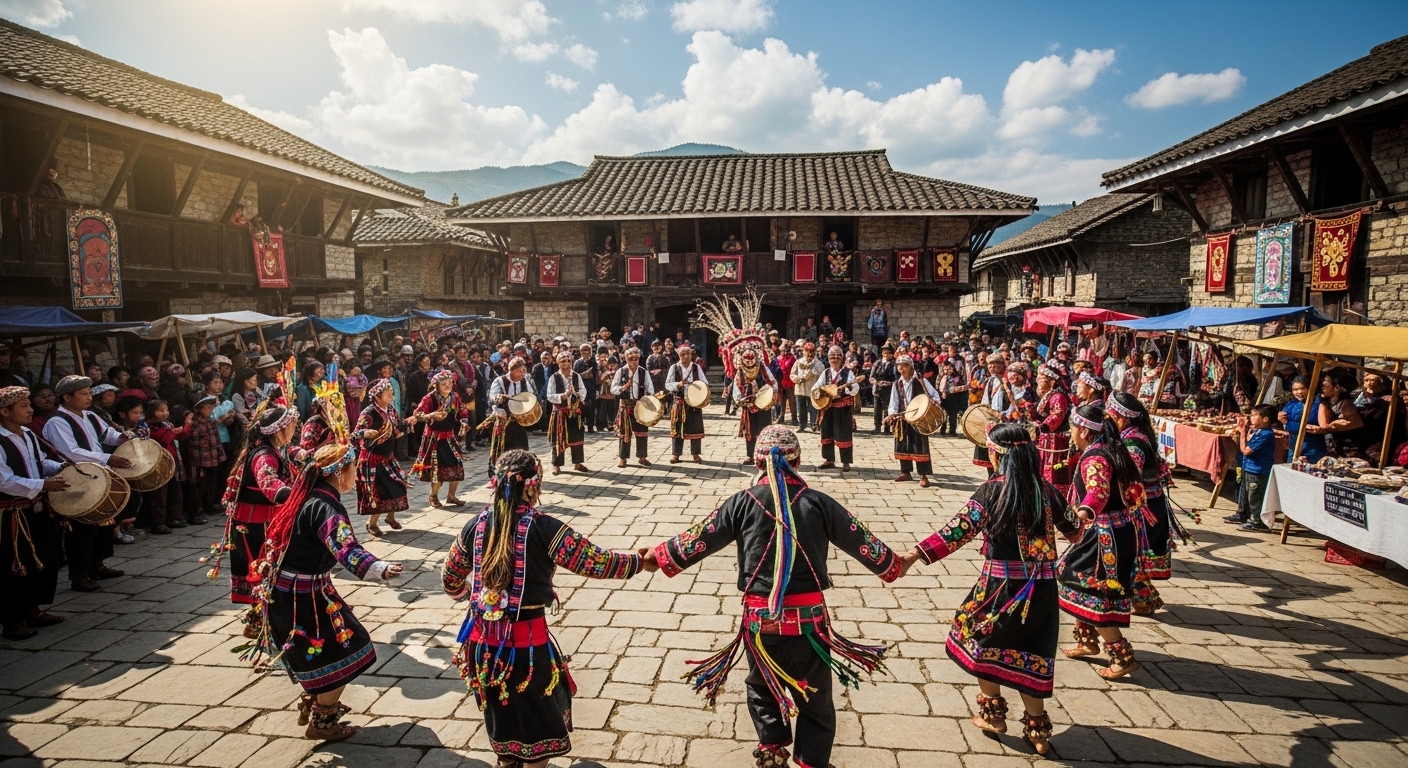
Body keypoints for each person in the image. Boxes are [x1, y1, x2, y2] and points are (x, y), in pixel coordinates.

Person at [644, 426, 902, 768]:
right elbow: (863, 541)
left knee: (762, 686)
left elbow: (700, 537)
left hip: (759, 622)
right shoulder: (819, 503)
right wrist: (895, 564)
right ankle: (812, 762)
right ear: (797, 461)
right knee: (816, 700)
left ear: (757, 462)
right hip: (809, 623)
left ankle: (772, 748)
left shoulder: (741, 502)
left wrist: (658, 556)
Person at [442, 449, 649, 766]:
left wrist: (470, 594)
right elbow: (597, 563)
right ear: (532, 486)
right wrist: (638, 561)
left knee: (501, 717)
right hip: (527, 652)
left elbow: (450, 577)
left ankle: (507, 760)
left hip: (482, 649)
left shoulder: (475, 526)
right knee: (538, 729)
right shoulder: (545, 528)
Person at [898, 422, 1077, 755]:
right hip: (1042, 589)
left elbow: (958, 530)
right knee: (1034, 651)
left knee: (977, 637)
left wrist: (914, 555)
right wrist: (1082, 513)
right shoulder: (1047, 490)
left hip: (999, 587)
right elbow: (1076, 531)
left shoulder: (991, 490)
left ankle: (993, 715)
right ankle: (1038, 732)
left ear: (999, 455)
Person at [246, 442, 403, 742]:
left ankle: (317, 701)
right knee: (354, 648)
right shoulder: (327, 507)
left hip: (291, 591)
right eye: (353, 468)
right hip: (302, 597)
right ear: (340, 472)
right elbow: (345, 547)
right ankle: (323, 720)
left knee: (320, 653)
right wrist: (378, 567)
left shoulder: (307, 496)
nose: (356, 475)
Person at [1057, 404, 1146, 680]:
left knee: (1097, 593)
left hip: (1105, 537)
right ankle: (1087, 640)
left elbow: (1098, 491)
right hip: (1114, 531)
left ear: (1083, 429)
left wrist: (1082, 514)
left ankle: (1123, 656)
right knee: (1073, 578)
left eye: (1072, 428)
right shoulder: (1109, 448)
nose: (1070, 433)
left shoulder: (1095, 457)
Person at [43, 375, 133, 592]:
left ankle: (96, 564)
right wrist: (107, 458)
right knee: (81, 528)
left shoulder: (90, 415)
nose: (88, 397)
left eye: (89, 392)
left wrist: (122, 438)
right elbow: (71, 452)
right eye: (83, 393)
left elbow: (107, 434)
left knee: (102, 523)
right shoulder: (58, 422)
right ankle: (79, 574)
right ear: (66, 397)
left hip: (97, 476)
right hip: (76, 479)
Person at [0, 386, 69, 640]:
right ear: (5, 411)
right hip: (10, 514)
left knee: (45, 558)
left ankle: (33, 609)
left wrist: (59, 466)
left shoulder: (28, 433)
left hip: (35, 507)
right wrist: (42, 485)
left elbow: (39, 462)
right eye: (23, 406)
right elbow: (4, 481)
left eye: (30, 404)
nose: (30, 410)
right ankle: (12, 621)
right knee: (14, 566)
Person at [219, 406, 298, 617]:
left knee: (268, 569)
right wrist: (296, 494)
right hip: (255, 525)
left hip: (261, 520)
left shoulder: (270, 449)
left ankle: (263, 616)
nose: (294, 429)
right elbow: (268, 482)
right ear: (278, 431)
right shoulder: (264, 456)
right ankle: (262, 619)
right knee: (262, 569)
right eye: (291, 426)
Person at [1108, 392, 1173, 615]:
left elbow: (1130, 477)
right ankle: (1144, 601)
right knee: (1130, 557)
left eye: (1112, 414)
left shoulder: (1133, 442)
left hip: (1141, 510)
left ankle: (1143, 601)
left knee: (1129, 555)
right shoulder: (1135, 435)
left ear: (1122, 418)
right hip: (1146, 505)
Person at [354, 379, 411, 535]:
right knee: (377, 493)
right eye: (388, 394)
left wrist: (411, 421)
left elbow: (396, 428)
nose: (392, 396)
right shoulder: (368, 413)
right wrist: (364, 433)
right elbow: (355, 435)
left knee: (398, 486)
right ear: (377, 396)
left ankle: (390, 517)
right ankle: (371, 524)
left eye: (392, 393)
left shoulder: (390, 410)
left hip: (387, 457)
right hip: (372, 459)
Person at [412, 370, 467, 506]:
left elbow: (462, 410)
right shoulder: (429, 398)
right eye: (444, 384)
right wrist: (431, 415)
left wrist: (464, 422)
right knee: (437, 469)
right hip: (434, 438)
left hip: (449, 437)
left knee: (457, 464)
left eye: (450, 383)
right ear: (436, 386)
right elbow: (417, 414)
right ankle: (433, 496)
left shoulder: (455, 397)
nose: (448, 386)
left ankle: (451, 496)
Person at [884, 354, 939, 487]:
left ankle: (923, 475)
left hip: (919, 419)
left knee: (919, 446)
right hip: (903, 419)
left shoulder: (920, 380)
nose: (901, 368)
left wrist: (931, 404)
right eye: (899, 366)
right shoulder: (897, 384)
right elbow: (894, 402)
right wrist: (891, 414)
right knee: (903, 445)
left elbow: (934, 395)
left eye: (904, 366)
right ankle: (906, 472)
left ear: (910, 367)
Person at [486, 357, 534, 484]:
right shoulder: (500, 381)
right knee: (502, 450)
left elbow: (530, 396)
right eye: (520, 371)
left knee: (521, 448)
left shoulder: (525, 382)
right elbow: (492, 397)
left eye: (524, 371)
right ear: (511, 370)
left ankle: (520, 475)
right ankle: (499, 476)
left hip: (518, 421)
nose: (522, 374)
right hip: (503, 421)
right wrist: (499, 399)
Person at [1233, 404, 1278, 532]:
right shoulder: (1258, 431)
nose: (1251, 418)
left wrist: (1241, 433)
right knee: (1247, 494)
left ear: (1265, 419)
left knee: (1255, 496)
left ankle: (1258, 522)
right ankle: (1247, 516)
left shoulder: (1266, 434)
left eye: (1254, 415)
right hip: (1249, 467)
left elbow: (1246, 450)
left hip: (1258, 470)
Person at [812, 346, 858, 471]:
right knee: (826, 432)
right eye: (832, 356)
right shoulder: (826, 372)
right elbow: (816, 387)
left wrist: (848, 388)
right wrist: (819, 393)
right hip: (828, 407)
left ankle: (846, 462)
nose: (835, 359)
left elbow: (855, 389)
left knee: (844, 434)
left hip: (842, 407)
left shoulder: (848, 373)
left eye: (838, 356)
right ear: (828, 358)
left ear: (842, 358)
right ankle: (829, 459)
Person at [545, 352, 588, 474]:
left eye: (568, 361)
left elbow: (583, 391)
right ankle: (557, 465)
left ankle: (578, 463)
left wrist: (575, 393)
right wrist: (564, 395)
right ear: (558, 363)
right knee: (558, 439)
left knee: (577, 437)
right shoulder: (554, 377)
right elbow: (549, 395)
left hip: (574, 411)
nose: (566, 363)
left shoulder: (576, 376)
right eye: (563, 361)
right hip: (559, 413)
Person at [610, 348, 654, 468]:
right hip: (625, 406)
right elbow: (612, 389)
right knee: (625, 433)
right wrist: (623, 387)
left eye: (636, 359)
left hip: (640, 406)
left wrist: (647, 395)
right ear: (626, 359)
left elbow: (650, 388)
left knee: (642, 432)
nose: (633, 362)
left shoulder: (643, 372)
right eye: (630, 359)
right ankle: (623, 458)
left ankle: (642, 457)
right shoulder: (621, 371)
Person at [1034, 364, 1073, 495]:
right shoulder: (1049, 396)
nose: (1037, 379)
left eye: (1041, 376)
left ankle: (1056, 494)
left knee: (1055, 471)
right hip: (1047, 438)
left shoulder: (1058, 397)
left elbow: (1057, 414)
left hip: (1056, 440)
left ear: (1051, 380)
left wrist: (1043, 426)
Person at [732, 349, 777, 465]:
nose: (750, 363)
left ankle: (766, 454)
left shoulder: (762, 367)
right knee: (750, 431)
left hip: (763, 404)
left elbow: (772, 381)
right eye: (747, 360)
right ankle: (750, 456)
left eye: (752, 359)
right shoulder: (740, 371)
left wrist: (768, 394)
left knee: (764, 430)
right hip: (749, 405)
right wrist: (740, 399)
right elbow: (737, 386)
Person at [664, 345, 708, 464]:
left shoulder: (696, 367)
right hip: (679, 401)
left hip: (694, 403)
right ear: (679, 355)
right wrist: (678, 384)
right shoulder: (674, 368)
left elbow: (705, 382)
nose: (685, 356)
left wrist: (697, 387)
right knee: (677, 429)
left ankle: (696, 454)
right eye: (682, 354)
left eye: (687, 354)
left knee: (695, 428)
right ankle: (676, 454)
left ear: (691, 355)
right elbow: (668, 384)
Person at [186, 395, 223, 524]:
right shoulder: (196, 424)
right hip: (201, 461)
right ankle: (196, 511)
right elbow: (194, 445)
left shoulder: (209, 422)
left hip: (212, 459)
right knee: (198, 487)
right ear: (200, 409)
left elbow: (217, 439)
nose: (210, 410)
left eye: (211, 408)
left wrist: (221, 454)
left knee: (210, 484)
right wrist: (197, 463)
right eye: (207, 408)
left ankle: (209, 505)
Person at [1279, 375, 1327, 463]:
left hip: (1313, 450)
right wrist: (1281, 418)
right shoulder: (1292, 403)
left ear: (1310, 388)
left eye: (1302, 388)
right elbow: (1283, 420)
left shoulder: (1318, 404)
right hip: (1294, 448)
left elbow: (1311, 426)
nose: (1299, 392)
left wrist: (1288, 424)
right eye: (1295, 389)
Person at [791, 343, 822, 432]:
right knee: (801, 408)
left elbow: (822, 376)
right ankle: (802, 425)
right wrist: (796, 379)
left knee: (813, 407)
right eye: (807, 351)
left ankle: (813, 424)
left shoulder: (818, 364)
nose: (809, 354)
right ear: (804, 352)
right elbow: (792, 374)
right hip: (800, 389)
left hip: (812, 389)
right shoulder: (798, 362)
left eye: (811, 352)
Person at [937, 358, 968, 437]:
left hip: (954, 397)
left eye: (949, 369)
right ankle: (942, 430)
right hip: (943, 397)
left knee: (953, 414)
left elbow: (961, 385)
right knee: (943, 414)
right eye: (945, 369)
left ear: (953, 368)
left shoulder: (957, 376)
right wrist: (941, 393)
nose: (947, 370)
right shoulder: (941, 375)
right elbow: (937, 386)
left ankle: (952, 430)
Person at [870, 344, 897, 434]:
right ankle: (877, 427)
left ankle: (887, 428)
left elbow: (897, 379)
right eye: (885, 353)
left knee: (887, 409)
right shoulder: (877, 363)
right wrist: (877, 382)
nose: (886, 355)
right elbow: (871, 377)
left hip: (888, 389)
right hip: (877, 388)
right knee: (877, 409)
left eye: (889, 353)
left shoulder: (894, 365)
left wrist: (888, 383)